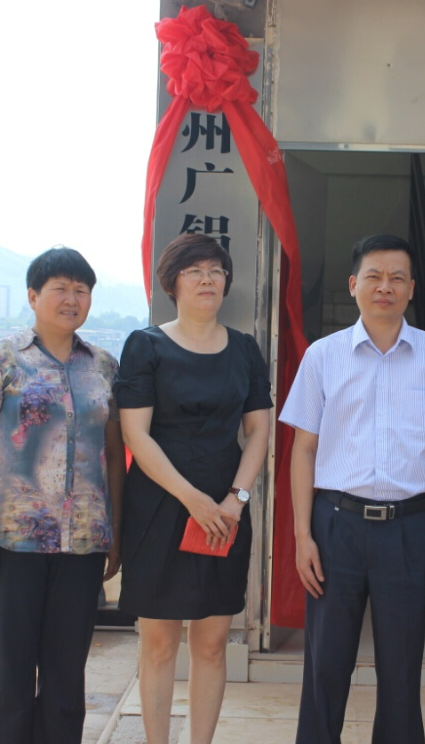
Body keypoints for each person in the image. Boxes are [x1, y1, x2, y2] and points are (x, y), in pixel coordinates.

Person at [280, 234, 425, 744]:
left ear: (411, 288)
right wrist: (302, 536)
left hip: (409, 529)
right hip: (335, 526)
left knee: (401, 670)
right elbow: (303, 449)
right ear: (354, 285)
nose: (384, 287)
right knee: (325, 666)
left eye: (396, 278)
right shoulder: (322, 357)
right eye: (373, 276)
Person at [0, 246, 125, 744]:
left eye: (81, 290)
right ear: (33, 296)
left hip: (83, 545)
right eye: (60, 289)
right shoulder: (0, 359)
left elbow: (114, 456)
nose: (72, 299)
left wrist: (116, 532)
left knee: (66, 680)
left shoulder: (103, 367)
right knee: (9, 679)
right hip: (12, 544)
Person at [114, 233, 272, 744]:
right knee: (159, 643)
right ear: (173, 283)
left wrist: (235, 500)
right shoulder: (146, 346)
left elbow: (259, 430)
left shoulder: (244, 349)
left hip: (224, 512)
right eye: (194, 271)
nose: (207, 279)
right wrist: (192, 498)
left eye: (216, 271)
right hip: (160, 507)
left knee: (212, 642)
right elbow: (136, 434)